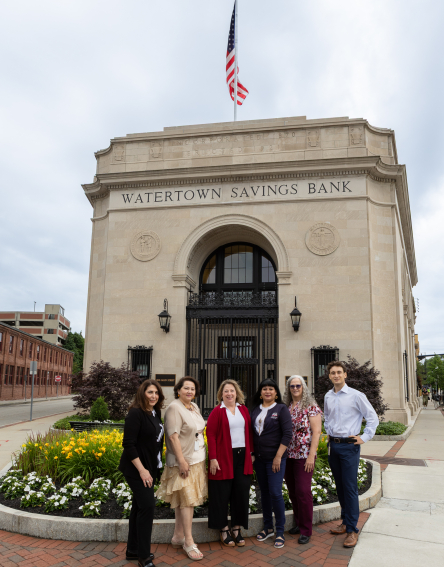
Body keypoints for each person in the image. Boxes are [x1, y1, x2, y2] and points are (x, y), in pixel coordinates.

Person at [324, 361, 379, 548]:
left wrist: (364, 437)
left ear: (345, 375)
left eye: (339, 372)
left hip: (349, 447)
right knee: (340, 486)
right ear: (329, 376)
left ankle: (352, 530)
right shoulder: (328, 396)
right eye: (333, 373)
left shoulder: (356, 396)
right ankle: (345, 521)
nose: (336, 375)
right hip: (334, 446)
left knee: (349, 488)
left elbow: (372, 417)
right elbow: (327, 418)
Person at [155, 377, 207, 561]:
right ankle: (188, 541)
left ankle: (178, 536)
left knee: (183, 500)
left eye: (193, 389)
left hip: (197, 459)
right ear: (178, 390)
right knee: (187, 501)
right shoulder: (174, 408)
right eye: (186, 388)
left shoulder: (193, 407)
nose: (190, 391)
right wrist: (182, 460)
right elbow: (173, 437)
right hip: (183, 462)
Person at [119, 379, 165, 567]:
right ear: (142, 394)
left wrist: (154, 467)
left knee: (138, 507)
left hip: (149, 467)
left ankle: (133, 549)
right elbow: (128, 444)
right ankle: (143, 556)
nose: (153, 396)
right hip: (136, 468)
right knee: (147, 507)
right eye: (150, 392)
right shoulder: (135, 414)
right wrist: (143, 470)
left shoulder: (155, 412)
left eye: (156, 393)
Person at [207, 379, 254, 547]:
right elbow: (210, 435)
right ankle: (223, 528)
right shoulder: (217, 411)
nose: (229, 394)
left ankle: (236, 527)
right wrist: (213, 458)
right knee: (221, 493)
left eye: (232, 391)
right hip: (223, 458)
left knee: (240, 492)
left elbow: (249, 432)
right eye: (226, 391)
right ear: (221, 394)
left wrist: (251, 453)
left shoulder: (243, 409)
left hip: (242, 457)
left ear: (237, 393)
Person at [250, 378, 292, 549]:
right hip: (259, 459)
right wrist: (252, 454)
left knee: (275, 493)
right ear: (260, 393)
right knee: (265, 493)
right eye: (264, 389)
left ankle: (280, 531)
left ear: (276, 393)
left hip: (276, 459)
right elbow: (251, 434)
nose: (267, 391)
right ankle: (268, 527)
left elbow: (287, 434)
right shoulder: (254, 410)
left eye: (271, 389)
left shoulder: (281, 409)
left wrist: (278, 456)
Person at [283, 375, 322, 544]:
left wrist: (311, 456)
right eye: (292, 386)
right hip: (288, 455)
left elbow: (317, 432)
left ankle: (306, 529)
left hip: (303, 456)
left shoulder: (311, 407)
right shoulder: (286, 407)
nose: (295, 388)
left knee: (303, 491)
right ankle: (298, 523)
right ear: (288, 388)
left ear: (304, 387)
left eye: (298, 385)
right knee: (292, 490)